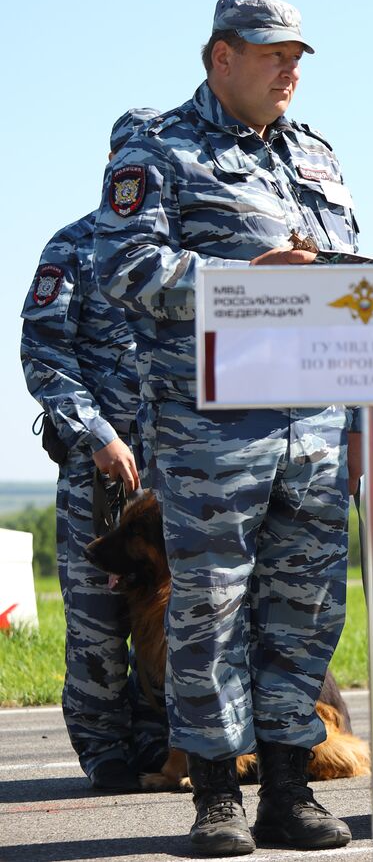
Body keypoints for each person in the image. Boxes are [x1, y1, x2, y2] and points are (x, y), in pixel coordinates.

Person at [93, 0, 361, 855]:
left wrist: (352, 419)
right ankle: (215, 798)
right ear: (221, 58)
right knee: (208, 612)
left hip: (315, 426)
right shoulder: (159, 148)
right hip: (214, 433)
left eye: (297, 56)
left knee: (305, 612)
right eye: (272, 53)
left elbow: (348, 281)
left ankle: (288, 790)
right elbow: (127, 266)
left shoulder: (316, 156)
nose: (290, 69)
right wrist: (246, 277)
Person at [20, 107, 168, 791]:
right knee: (98, 617)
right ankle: (104, 747)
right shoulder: (74, 246)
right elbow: (44, 352)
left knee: (179, 614)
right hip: (100, 472)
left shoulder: (182, 249)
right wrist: (98, 435)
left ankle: (161, 741)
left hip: (178, 469)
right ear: (113, 164)